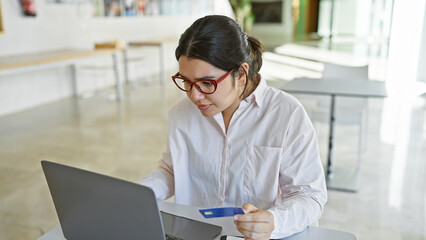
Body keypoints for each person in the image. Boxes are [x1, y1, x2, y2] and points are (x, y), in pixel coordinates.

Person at [141, 15, 327, 240]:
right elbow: (172, 170)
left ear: (241, 74)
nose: (194, 95)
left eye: (207, 83)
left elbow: (309, 196)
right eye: (186, 81)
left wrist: (274, 221)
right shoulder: (182, 113)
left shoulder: (286, 115)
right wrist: (141, 195)